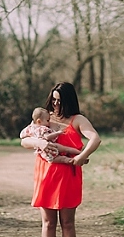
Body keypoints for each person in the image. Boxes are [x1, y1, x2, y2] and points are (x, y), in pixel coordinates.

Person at [20, 82, 101, 237]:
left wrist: (81, 157)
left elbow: (95, 139)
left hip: (68, 174)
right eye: (54, 100)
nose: (56, 104)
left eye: (60, 101)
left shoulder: (78, 119)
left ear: (69, 101)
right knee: (48, 223)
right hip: (45, 173)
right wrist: (40, 143)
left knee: (68, 223)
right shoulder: (44, 117)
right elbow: (24, 140)